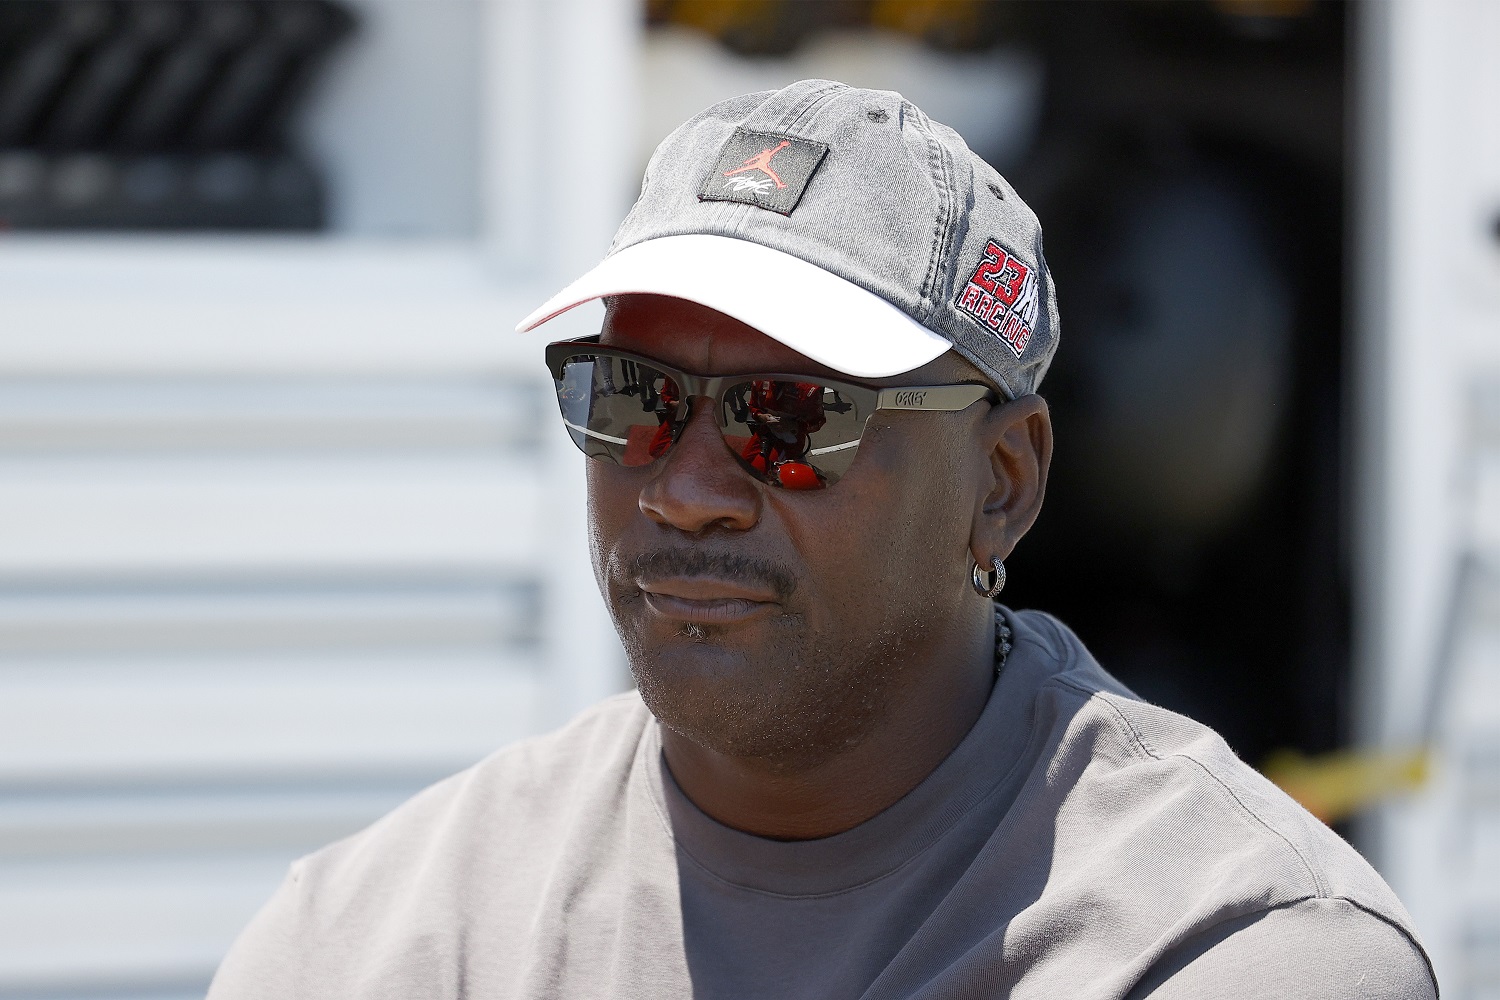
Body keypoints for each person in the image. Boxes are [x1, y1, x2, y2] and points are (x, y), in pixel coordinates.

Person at [207, 80, 1436, 999]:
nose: (687, 491)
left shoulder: (1223, 947)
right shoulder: (384, 935)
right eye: (628, 398)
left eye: (790, 417)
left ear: (1000, 483)